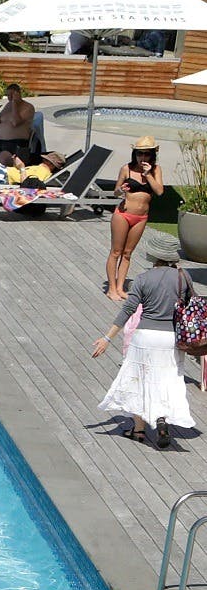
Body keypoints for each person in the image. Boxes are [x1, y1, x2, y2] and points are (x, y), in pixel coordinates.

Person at [92, 228, 193, 449]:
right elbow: (188, 307)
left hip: (144, 337)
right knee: (167, 380)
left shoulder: (143, 278)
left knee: (137, 380)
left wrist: (106, 338)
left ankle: (138, 430)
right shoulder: (183, 277)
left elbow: (128, 309)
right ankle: (162, 420)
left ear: (154, 256)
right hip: (171, 338)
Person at [105, 137, 165, 300]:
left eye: (146, 154)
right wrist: (120, 190)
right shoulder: (127, 169)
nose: (142, 158)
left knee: (127, 253)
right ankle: (111, 288)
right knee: (116, 251)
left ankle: (120, 287)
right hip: (123, 214)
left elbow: (159, 191)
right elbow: (115, 191)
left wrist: (148, 175)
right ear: (135, 154)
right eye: (139, 154)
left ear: (152, 155)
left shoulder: (156, 170)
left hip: (141, 217)